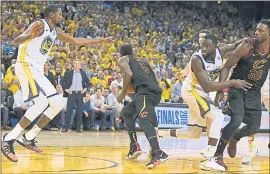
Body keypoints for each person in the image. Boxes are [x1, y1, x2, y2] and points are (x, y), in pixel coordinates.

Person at [1, 4, 112, 163]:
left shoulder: (55, 31)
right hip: (26, 65)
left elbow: (74, 41)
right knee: (41, 104)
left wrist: (100, 40)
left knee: (57, 103)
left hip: (36, 70)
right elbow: (17, 40)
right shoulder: (39, 24)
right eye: (59, 14)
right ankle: (8, 139)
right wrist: (28, 36)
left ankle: (28, 137)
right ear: (51, 15)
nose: (62, 16)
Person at [214, 19, 269, 170]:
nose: (256, 33)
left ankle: (234, 138)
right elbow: (226, 67)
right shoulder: (247, 46)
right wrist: (220, 89)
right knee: (236, 119)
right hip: (237, 87)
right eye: (256, 30)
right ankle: (217, 155)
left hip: (254, 92)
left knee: (254, 128)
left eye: (261, 30)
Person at [116, 44, 168, 169]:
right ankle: (134, 146)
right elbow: (153, 79)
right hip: (149, 93)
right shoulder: (142, 62)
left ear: (121, 53)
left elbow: (128, 74)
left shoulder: (123, 59)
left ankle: (159, 152)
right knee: (126, 112)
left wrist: (123, 93)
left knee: (143, 119)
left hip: (145, 93)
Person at [62, 59, 90, 133]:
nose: (77, 65)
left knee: (79, 111)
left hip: (80, 93)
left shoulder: (83, 73)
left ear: (80, 66)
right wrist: (66, 89)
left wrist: (85, 89)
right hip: (71, 93)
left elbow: (88, 82)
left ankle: (78, 128)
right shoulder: (69, 73)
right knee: (69, 111)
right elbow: (62, 81)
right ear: (73, 65)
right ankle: (65, 128)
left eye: (78, 64)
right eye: (75, 63)